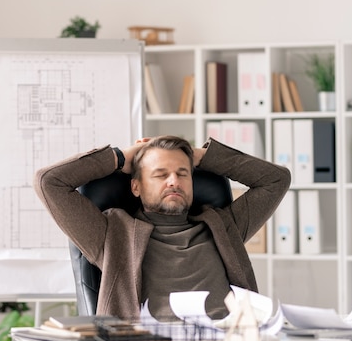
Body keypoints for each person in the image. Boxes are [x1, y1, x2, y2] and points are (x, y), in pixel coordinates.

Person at [33, 135, 291, 320]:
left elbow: (276, 179)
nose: (173, 181)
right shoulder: (111, 233)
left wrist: (199, 155)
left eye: (182, 173)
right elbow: (48, 182)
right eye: (160, 174)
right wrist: (119, 157)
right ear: (136, 187)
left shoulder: (224, 225)